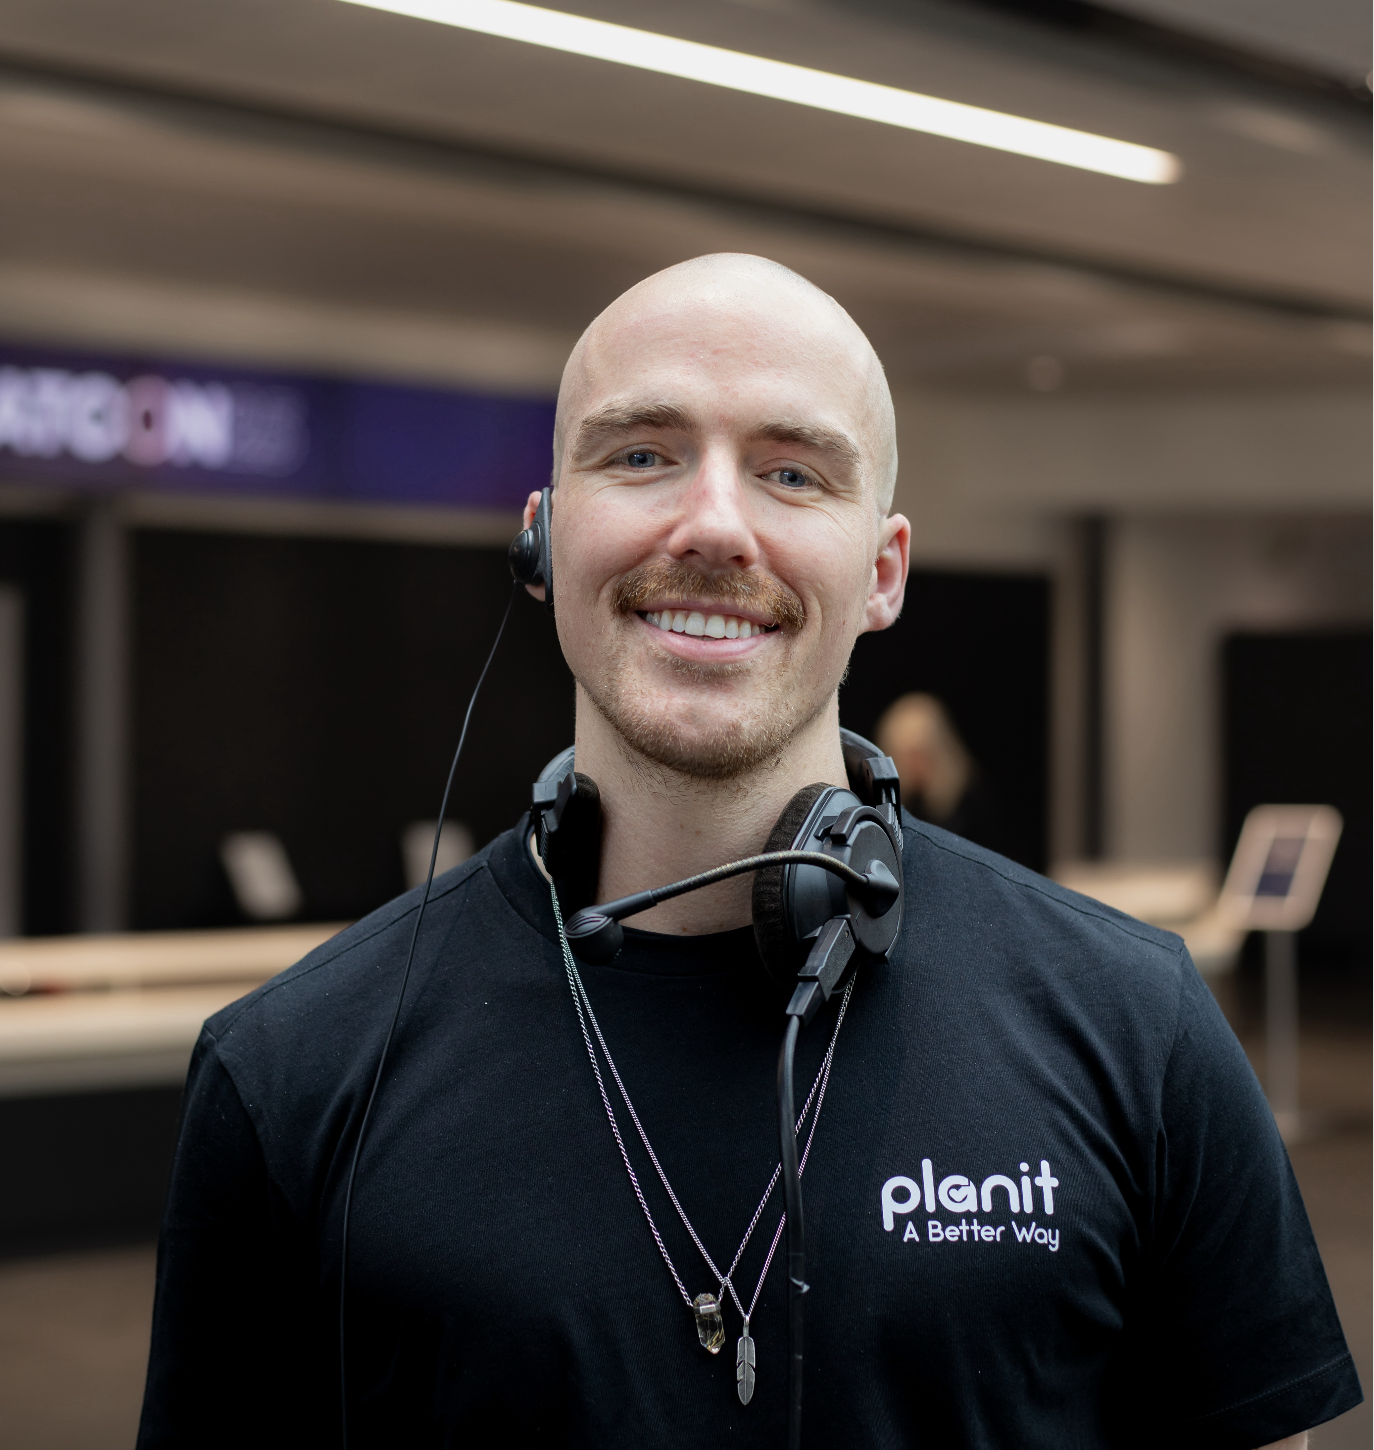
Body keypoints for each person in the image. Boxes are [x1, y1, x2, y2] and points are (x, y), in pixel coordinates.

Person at [137, 255, 1358, 1449]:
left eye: (791, 471)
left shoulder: (1137, 1025)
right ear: (543, 539)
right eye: (642, 455)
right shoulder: (292, 1069)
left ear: (882, 572)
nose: (714, 522)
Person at [874, 691, 1005, 853]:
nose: (913, 765)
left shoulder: (971, 803)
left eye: (919, 754)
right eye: (905, 756)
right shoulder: (891, 802)